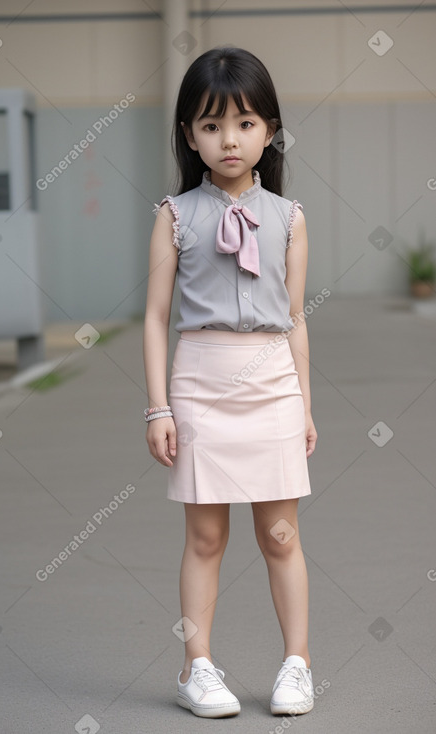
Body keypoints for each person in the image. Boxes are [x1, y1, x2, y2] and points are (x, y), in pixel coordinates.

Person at [143, 46, 318, 719]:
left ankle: (296, 665)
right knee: (205, 538)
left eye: (244, 123)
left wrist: (304, 403)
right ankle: (197, 668)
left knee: (279, 535)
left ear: (270, 130)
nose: (229, 140)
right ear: (189, 135)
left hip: (271, 382)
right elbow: (157, 319)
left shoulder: (291, 218)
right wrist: (158, 406)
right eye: (211, 125)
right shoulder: (174, 215)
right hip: (200, 382)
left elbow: (295, 317)